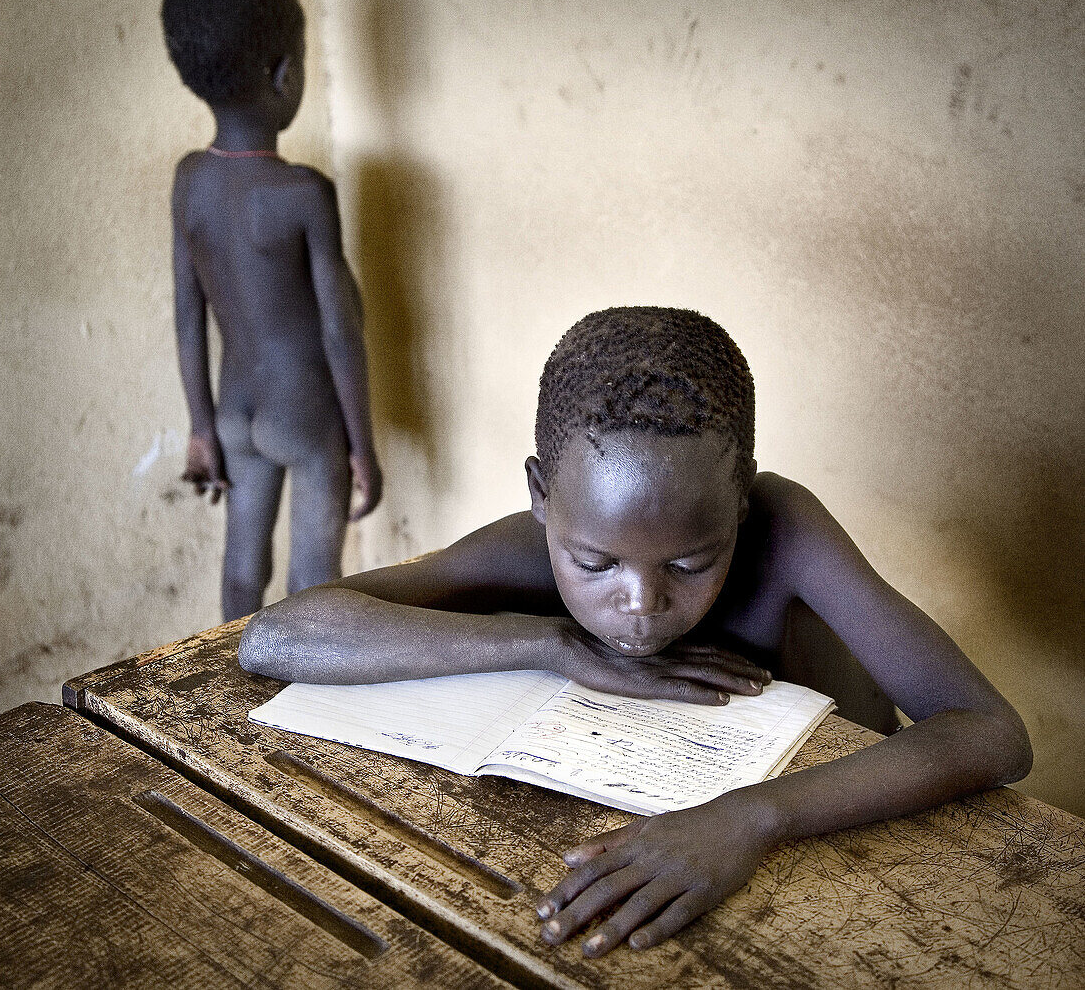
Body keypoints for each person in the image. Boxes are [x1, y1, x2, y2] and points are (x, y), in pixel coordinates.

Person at [239, 306, 1031, 957]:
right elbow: (274, 637)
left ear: (741, 506)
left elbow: (992, 732)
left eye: (692, 562)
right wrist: (552, 643)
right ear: (542, 495)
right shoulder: (536, 542)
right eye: (595, 562)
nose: (641, 601)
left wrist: (749, 817)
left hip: (848, 859)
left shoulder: (787, 530)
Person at [161, 0, 382, 620]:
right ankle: (299, 707)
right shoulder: (304, 193)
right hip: (304, 413)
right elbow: (341, 329)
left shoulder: (189, 179)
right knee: (313, 586)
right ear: (286, 73)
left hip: (233, 411)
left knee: (240, 573)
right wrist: (362, 447)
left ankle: (233, 694)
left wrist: (201, 427)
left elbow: (186, 312)